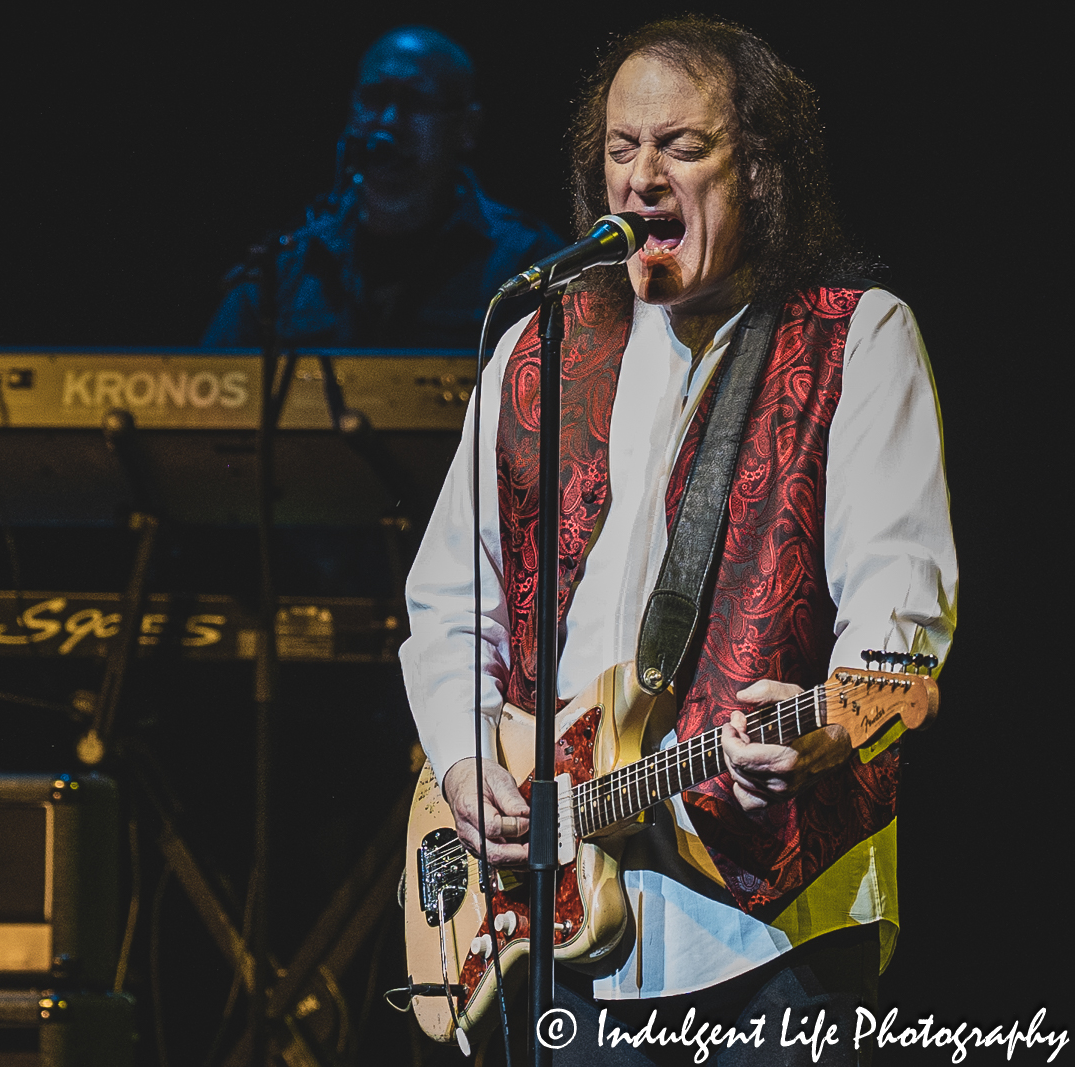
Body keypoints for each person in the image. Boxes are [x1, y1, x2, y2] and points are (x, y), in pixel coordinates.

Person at [400, 16, 957, 1065]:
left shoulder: (853, 335)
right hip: (564, 934)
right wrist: (469, 757)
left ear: (760, 169)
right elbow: (448, 600)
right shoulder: (538, 344)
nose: (640, 175)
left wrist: (824, 731)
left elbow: (897, 612)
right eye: (620, 149)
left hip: (774, 923)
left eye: (680, 147)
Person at [202, 26, 565, 350]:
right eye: (374, 99)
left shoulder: (527, 260)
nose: (388, 123)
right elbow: (208, 396)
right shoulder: (286, 268)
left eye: (416, 102)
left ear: (466, 128)